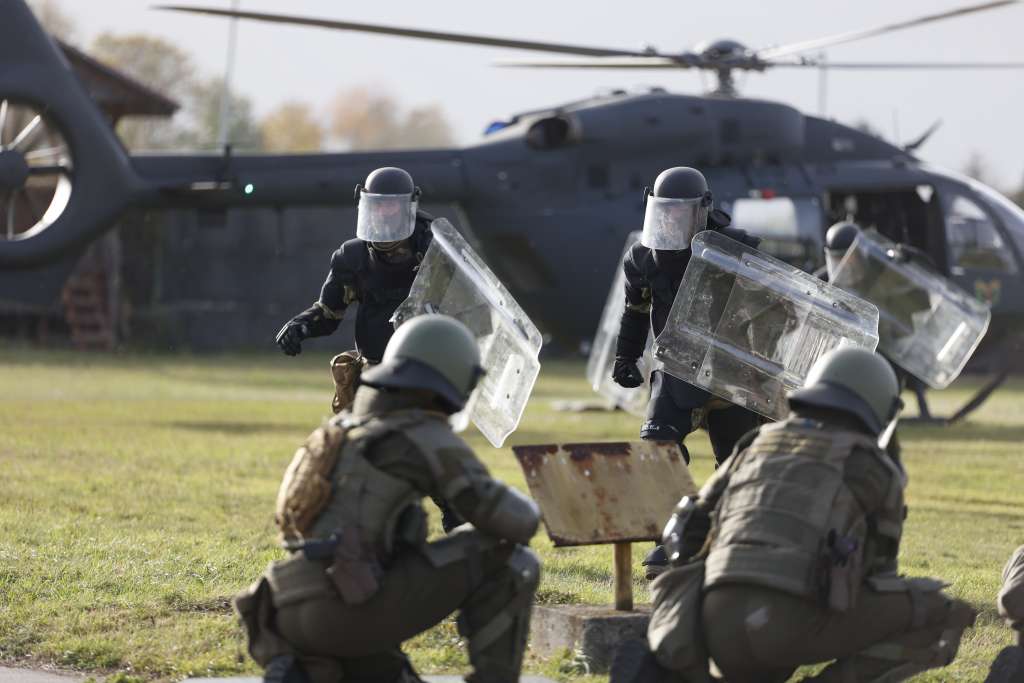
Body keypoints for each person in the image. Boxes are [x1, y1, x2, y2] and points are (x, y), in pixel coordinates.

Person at [613, 347, 976, 683]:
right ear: (880, 406)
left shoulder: (757, 442)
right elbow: (878, 575)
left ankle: (678, 667)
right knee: (943, 611)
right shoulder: (872, 467)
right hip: (788, 628)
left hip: (714, 623)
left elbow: (683, 532)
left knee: (758, 644)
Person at [235, 315, 542, 683]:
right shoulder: (422, 435)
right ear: (451, 379)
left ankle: (319, 672)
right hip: (347, 611)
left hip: (284, 608)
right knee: (512, 559)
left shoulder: (340, 428)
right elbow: (516, 522)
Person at [611, 166, 765, 579]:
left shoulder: (738, 251)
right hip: (677, 367)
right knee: (658, 447)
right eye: (666, 210)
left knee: (737, 463)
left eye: (682, 211)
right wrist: (626, 358)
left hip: (733, 373)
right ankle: (670, 537)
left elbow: (772, 312)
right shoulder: (643, 259)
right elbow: (635, 312)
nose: (672, 218)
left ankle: (723, 541)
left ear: (702, 211)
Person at [275, 166, 434, 413]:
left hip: (421, 373)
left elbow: (464, 304)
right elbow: (328, 313)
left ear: (407, 207)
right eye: (377, 204)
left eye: (391, 205)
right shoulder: (352, 257)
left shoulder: (435, 250)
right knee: (358, 441)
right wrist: (301, 326)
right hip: (373, 371)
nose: (383, 212)